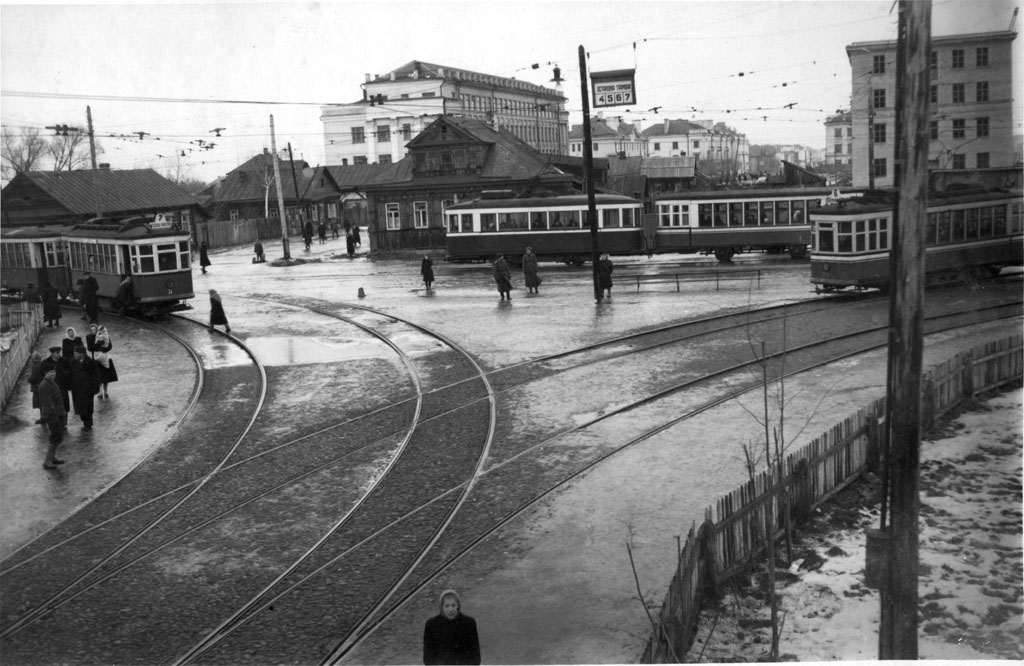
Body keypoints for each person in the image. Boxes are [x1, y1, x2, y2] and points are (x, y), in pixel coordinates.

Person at [422, 589, 480, 666]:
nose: (450, 609)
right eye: (447, 606)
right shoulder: (432, 624)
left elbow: (475, 654)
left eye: (453, 605)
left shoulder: (469, 623)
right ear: (441, 607)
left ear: (458, 606)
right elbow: (428, 656)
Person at [37, 367, 68, 469]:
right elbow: (48, 404)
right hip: (52, 415)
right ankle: (47, 460)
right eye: (51, 372)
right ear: (46, 373)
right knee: (55, 436)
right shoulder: (45, 385)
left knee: (57, 435)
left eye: (54, 372)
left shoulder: (50, 382)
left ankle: (52, 457)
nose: (53, 374)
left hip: (56, 414)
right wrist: (53, 415)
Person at [70, 345, 100, 431]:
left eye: (76, 353)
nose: (74, 355)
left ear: (82, 354)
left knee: (88, 407)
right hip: (77, 389)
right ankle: (84, 421)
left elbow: (96, 376)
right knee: (79, 408)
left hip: (87, 390)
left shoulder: (90, 362)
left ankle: (88, 424)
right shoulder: (73, 362)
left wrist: (95, 388)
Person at [40, 346, 71, 413]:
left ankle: (64, 420)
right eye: (57, 353)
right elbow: (41, 374)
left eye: (59, 352)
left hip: (62, 386)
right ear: (52, 353)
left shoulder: (64, 361)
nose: (59, 354)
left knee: (64, 405)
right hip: (51, 387)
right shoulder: (45, 362)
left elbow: (69, 372)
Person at [89, 326, 117, 399]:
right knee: (98, 376)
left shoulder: (104, 335)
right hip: (96, 358)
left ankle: (105, 392)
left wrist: (105, 349)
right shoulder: (90, 337)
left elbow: (109, 345)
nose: (93, 331)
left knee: (105, 376)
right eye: (92, 330)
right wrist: (98, 344)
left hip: (105, 357)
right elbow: (90, 348)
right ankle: (100, 392)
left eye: (95, 329)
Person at [27, 351, 43, 423]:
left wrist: (28, 379)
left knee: (40, 403)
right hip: (41, 385)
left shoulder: (35, 367)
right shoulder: (42, 364)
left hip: (37, 387)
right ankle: (43, 417)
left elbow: (33, 377)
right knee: (42, 402)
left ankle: (43, 418)